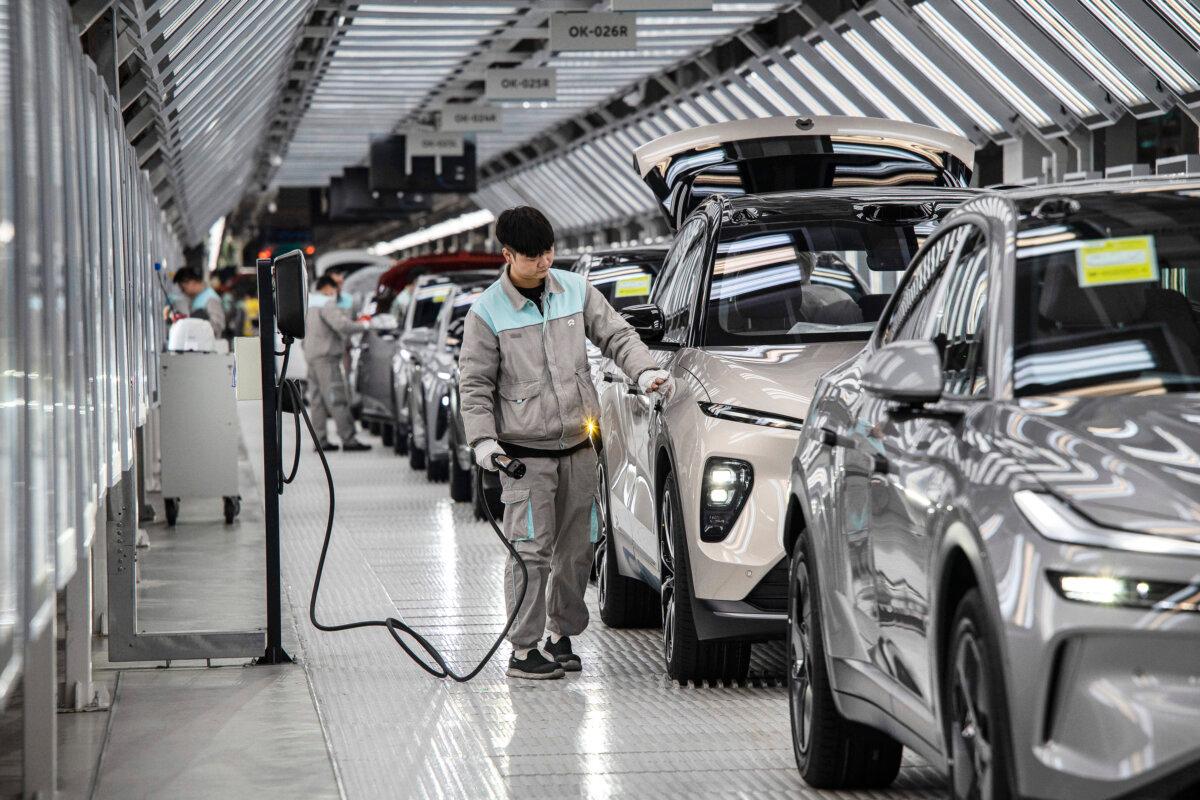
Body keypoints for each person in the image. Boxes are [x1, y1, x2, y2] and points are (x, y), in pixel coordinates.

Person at [459, 206, 673, 680]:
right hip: (524, 457)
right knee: (530, 553)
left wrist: (646, 369)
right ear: (508, 254)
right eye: (533, 256)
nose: (543, 263)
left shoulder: (576, 291)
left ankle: (562, 635)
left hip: (578, 448)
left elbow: (617, 335)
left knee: (578, 550)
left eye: (549, 253)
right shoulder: (487, 313)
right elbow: (474, 386)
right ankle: (522, 649)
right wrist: (482, 442)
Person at [303, 275, 372, 452]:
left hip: (311, 355)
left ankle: (320, 441)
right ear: (327, 289)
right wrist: (364, 325)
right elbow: (341, 325)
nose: (335, 294)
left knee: (317, 400)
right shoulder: (326, 303)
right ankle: (348, 439)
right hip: (326, 357)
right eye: (334, 291)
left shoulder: (308, 303)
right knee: (336, 398)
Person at [173, 267, 225, 339]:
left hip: (209, 345)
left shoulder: (210, 299)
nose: (183, 292)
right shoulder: (196, 298)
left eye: (183, 288)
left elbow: (217, 326)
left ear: (192, 282)